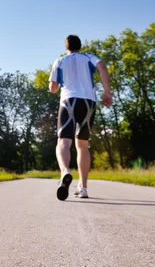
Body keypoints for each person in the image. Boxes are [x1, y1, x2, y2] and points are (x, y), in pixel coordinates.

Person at [48, 35, 112, 201]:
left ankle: (65, 172)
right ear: (80, 46)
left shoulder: (59, 61)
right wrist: (107, 92)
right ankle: (83, 188)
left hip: (69, 100)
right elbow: (103, 67)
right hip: (88, 102)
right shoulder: (89, 57)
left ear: (66, 47)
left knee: (63, 142)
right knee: (83, 145)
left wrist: (53, 84)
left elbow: (53, 88)